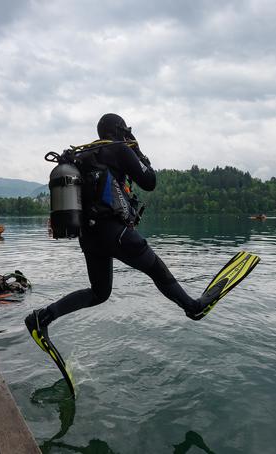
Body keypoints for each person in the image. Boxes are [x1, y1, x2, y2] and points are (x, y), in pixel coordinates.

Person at [25, 113, 246, 336]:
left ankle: (42, 316)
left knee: (99, 293)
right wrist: (136, 149)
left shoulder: (81, 156)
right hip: (115, 232)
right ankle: (193, 308)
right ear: (120, 130)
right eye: (126, 129)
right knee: (156, 269)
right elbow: (150, 181)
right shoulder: (120, 149)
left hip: (89, 237)